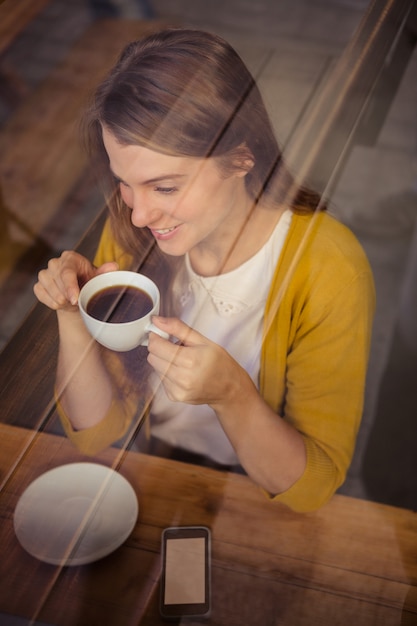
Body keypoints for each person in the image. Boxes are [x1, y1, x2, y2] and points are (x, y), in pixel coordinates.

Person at [34, 28, 375, 512]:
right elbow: (96, 435)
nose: (138, 214)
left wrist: (232, 394)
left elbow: (311, 486)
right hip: (150, 468)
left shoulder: (330, 269)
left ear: (241, 157)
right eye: (124, 183)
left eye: (165, 187)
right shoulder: (133, 230)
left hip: (254, 497)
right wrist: (72, 312)